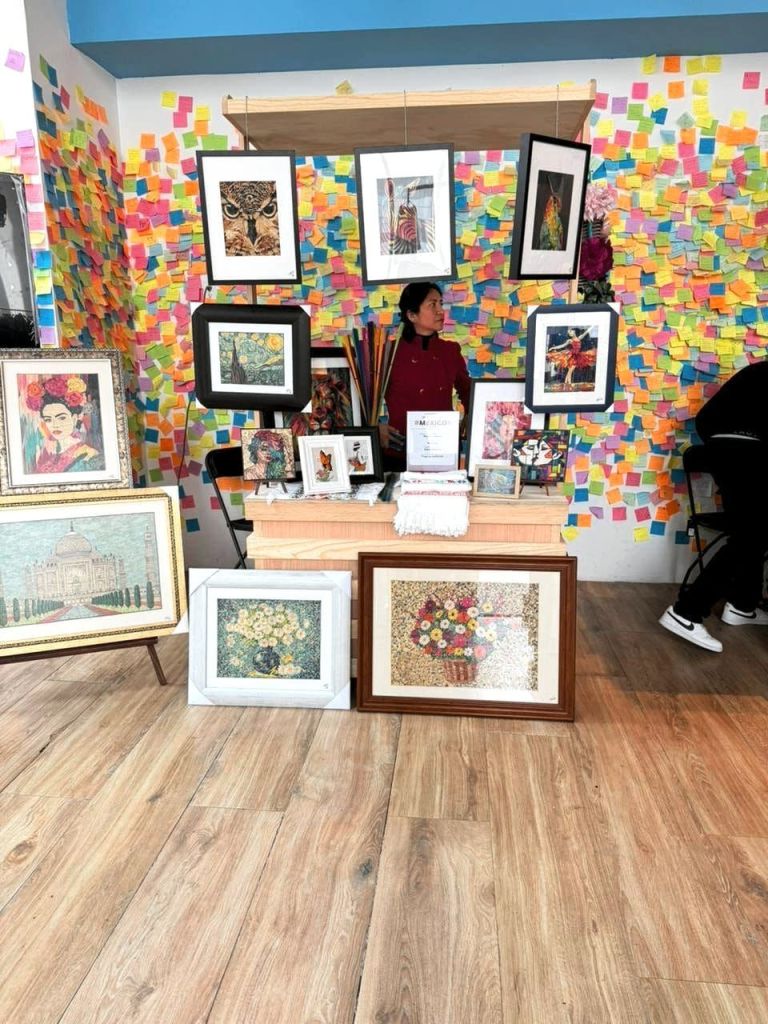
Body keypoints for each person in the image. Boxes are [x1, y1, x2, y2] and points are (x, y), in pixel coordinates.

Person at [659, 358, 768, 652]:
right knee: (750, 536)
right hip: (748, 454)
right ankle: (686, 612)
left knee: (752, 533)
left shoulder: (757, 371)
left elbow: (705, 420)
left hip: (724, 451)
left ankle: (743, 605)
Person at [381, 282, 471, 468]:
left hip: (442, 449)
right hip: (399, 451)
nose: (440, 311)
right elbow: (364, 401)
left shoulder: (450, 351)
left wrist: (470, 419)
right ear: (411, 315)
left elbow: (469, 393)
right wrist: (375, 428)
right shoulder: (389, 353)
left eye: (441, 303)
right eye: (432, 304)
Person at [26, 379, 104, 474]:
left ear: (74, 419)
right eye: (48, 419)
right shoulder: (48, 457)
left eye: (61, 418)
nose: (55, 425)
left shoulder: (89, 455)